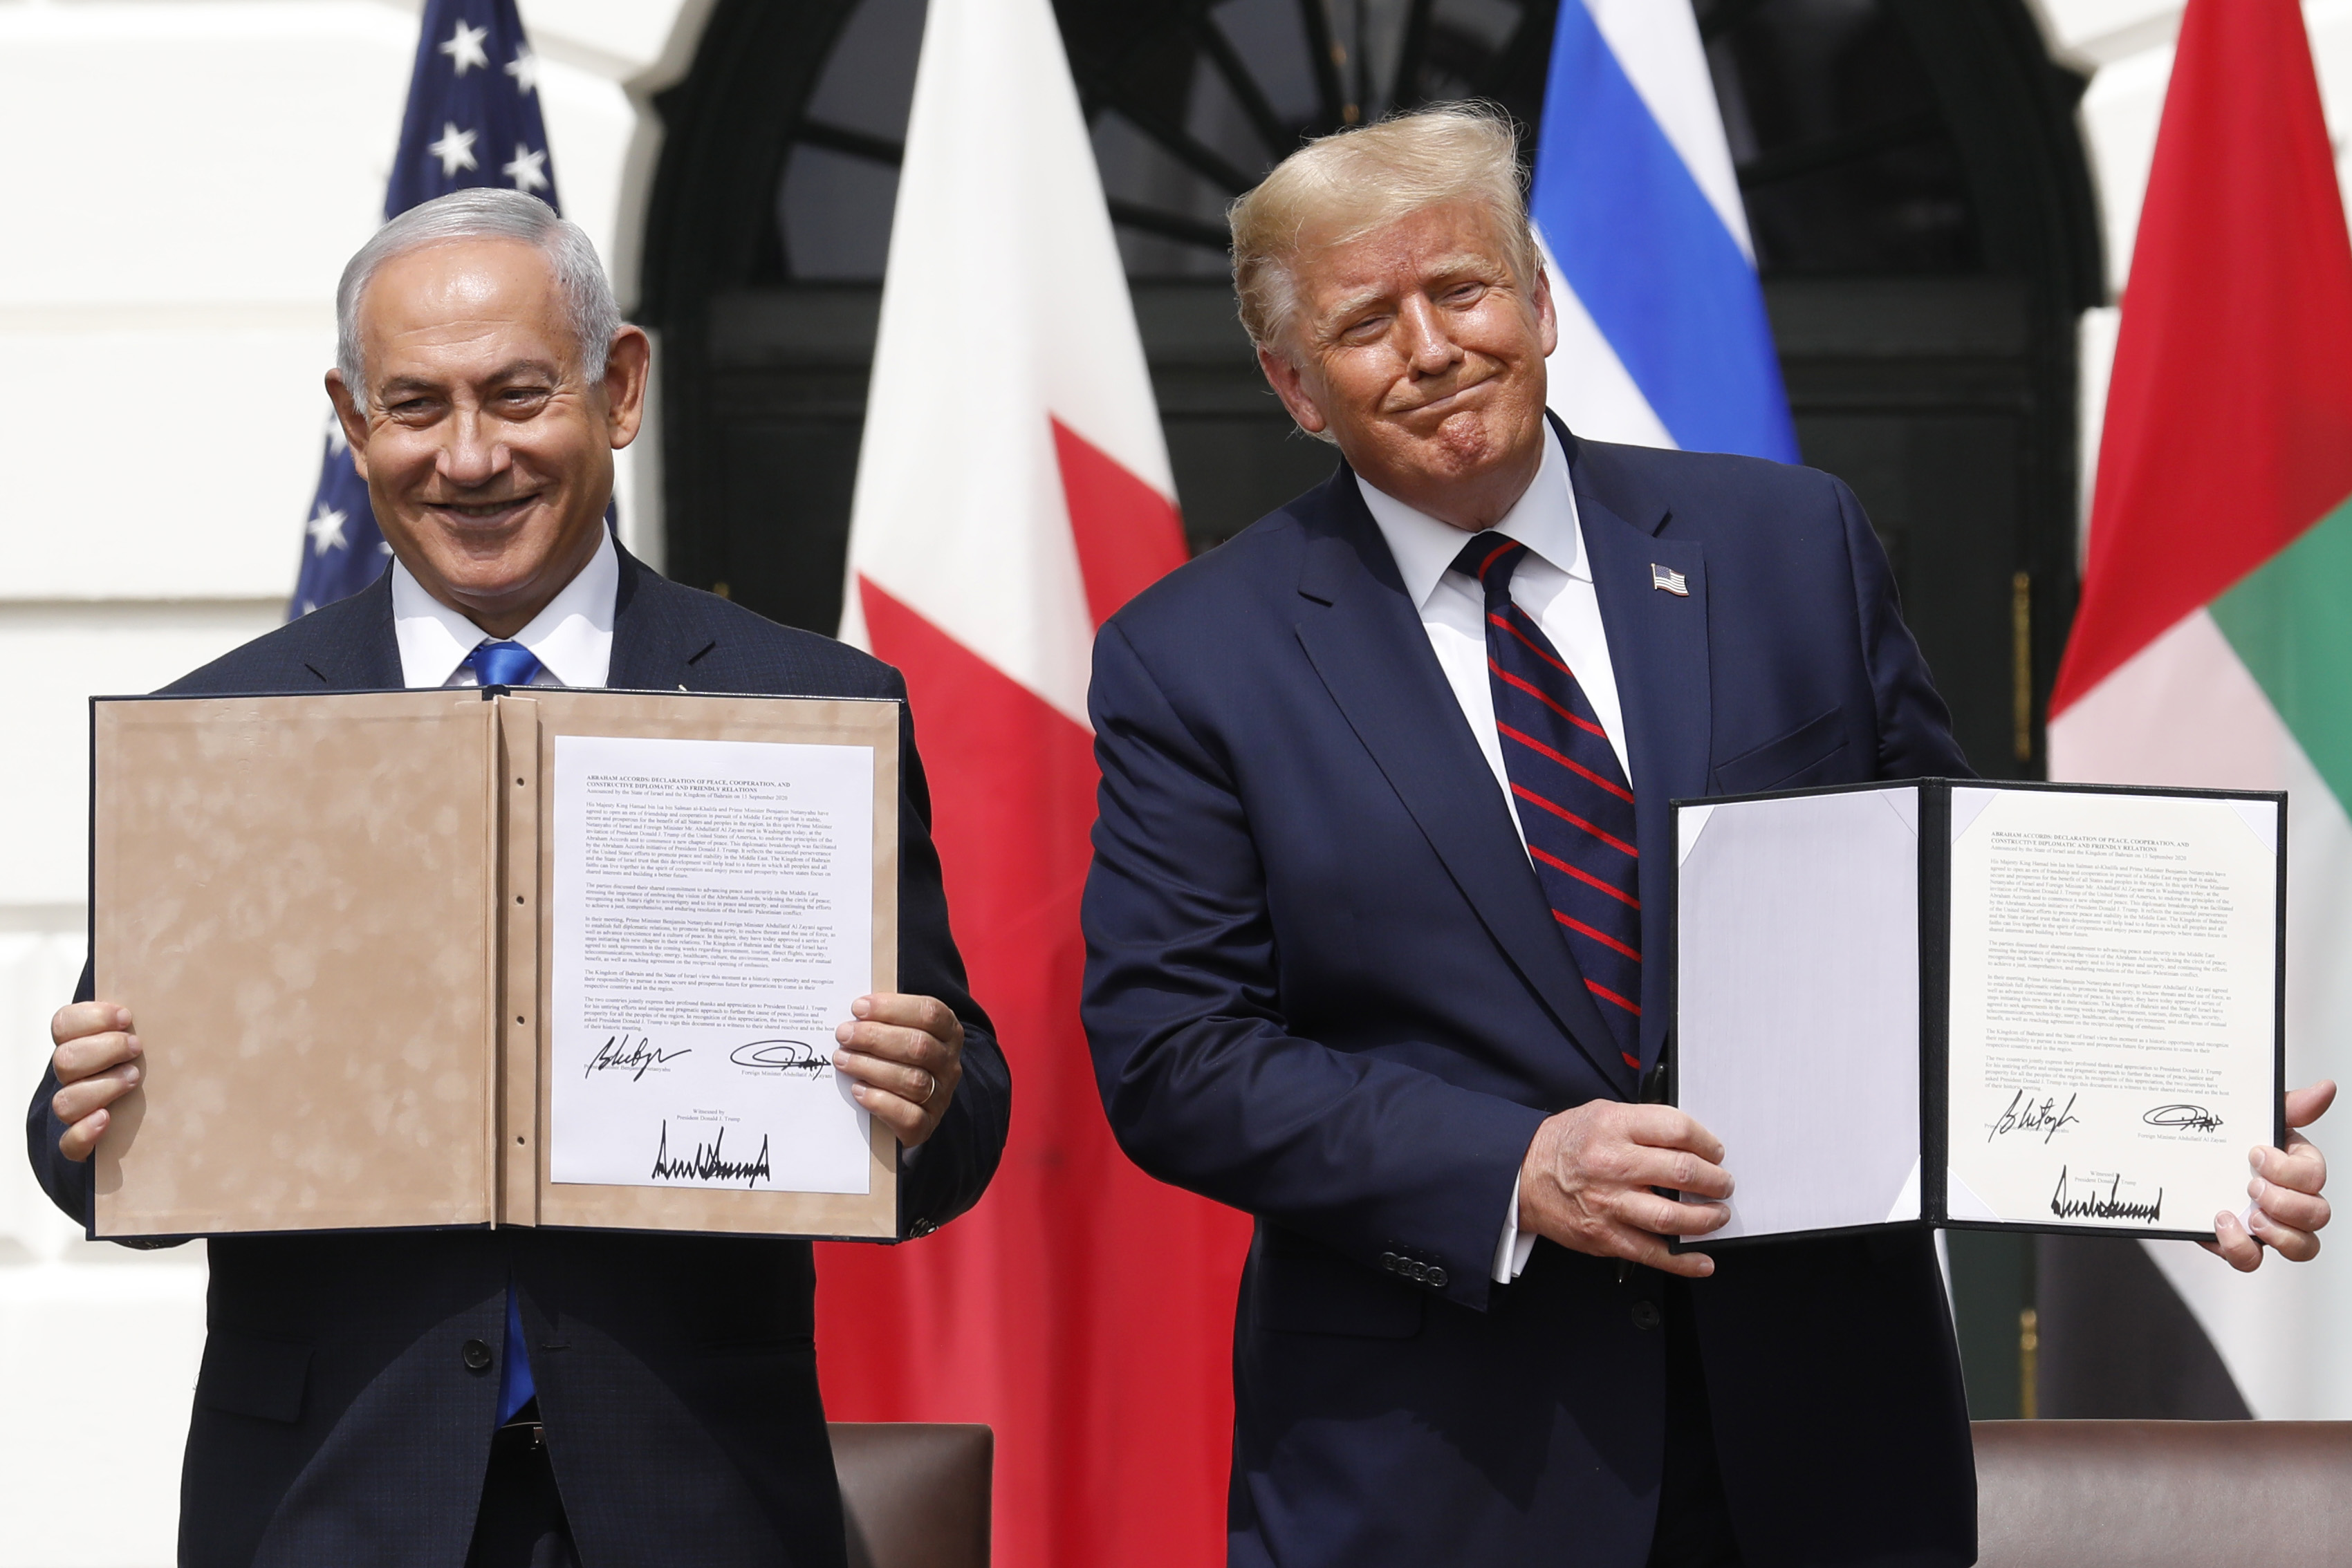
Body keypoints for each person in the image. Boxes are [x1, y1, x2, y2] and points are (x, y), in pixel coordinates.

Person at [1079, 107, 2333, 1568]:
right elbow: (1176, 1057)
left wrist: (2159, 1126)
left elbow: (1945, 920)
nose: (1431, 348)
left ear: (1540, 299)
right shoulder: (1196, 657)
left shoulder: (1790, 546)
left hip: (1825, 1439)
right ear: (1295, 385)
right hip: (1445, 1466)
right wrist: (1509, 1167)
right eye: (1366, 322)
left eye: (1463, 290)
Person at [28, 188, 1010, 1568]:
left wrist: (927, 1093)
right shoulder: (223, 732)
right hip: (327, 1509)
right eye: (415, 406)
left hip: (697, 1502)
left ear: (621, 388)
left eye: (517, 394)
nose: (471, 456)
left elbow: (957, 1126)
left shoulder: (808, 708)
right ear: (352, 420)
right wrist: (86, 1116)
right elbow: (91, 1165)